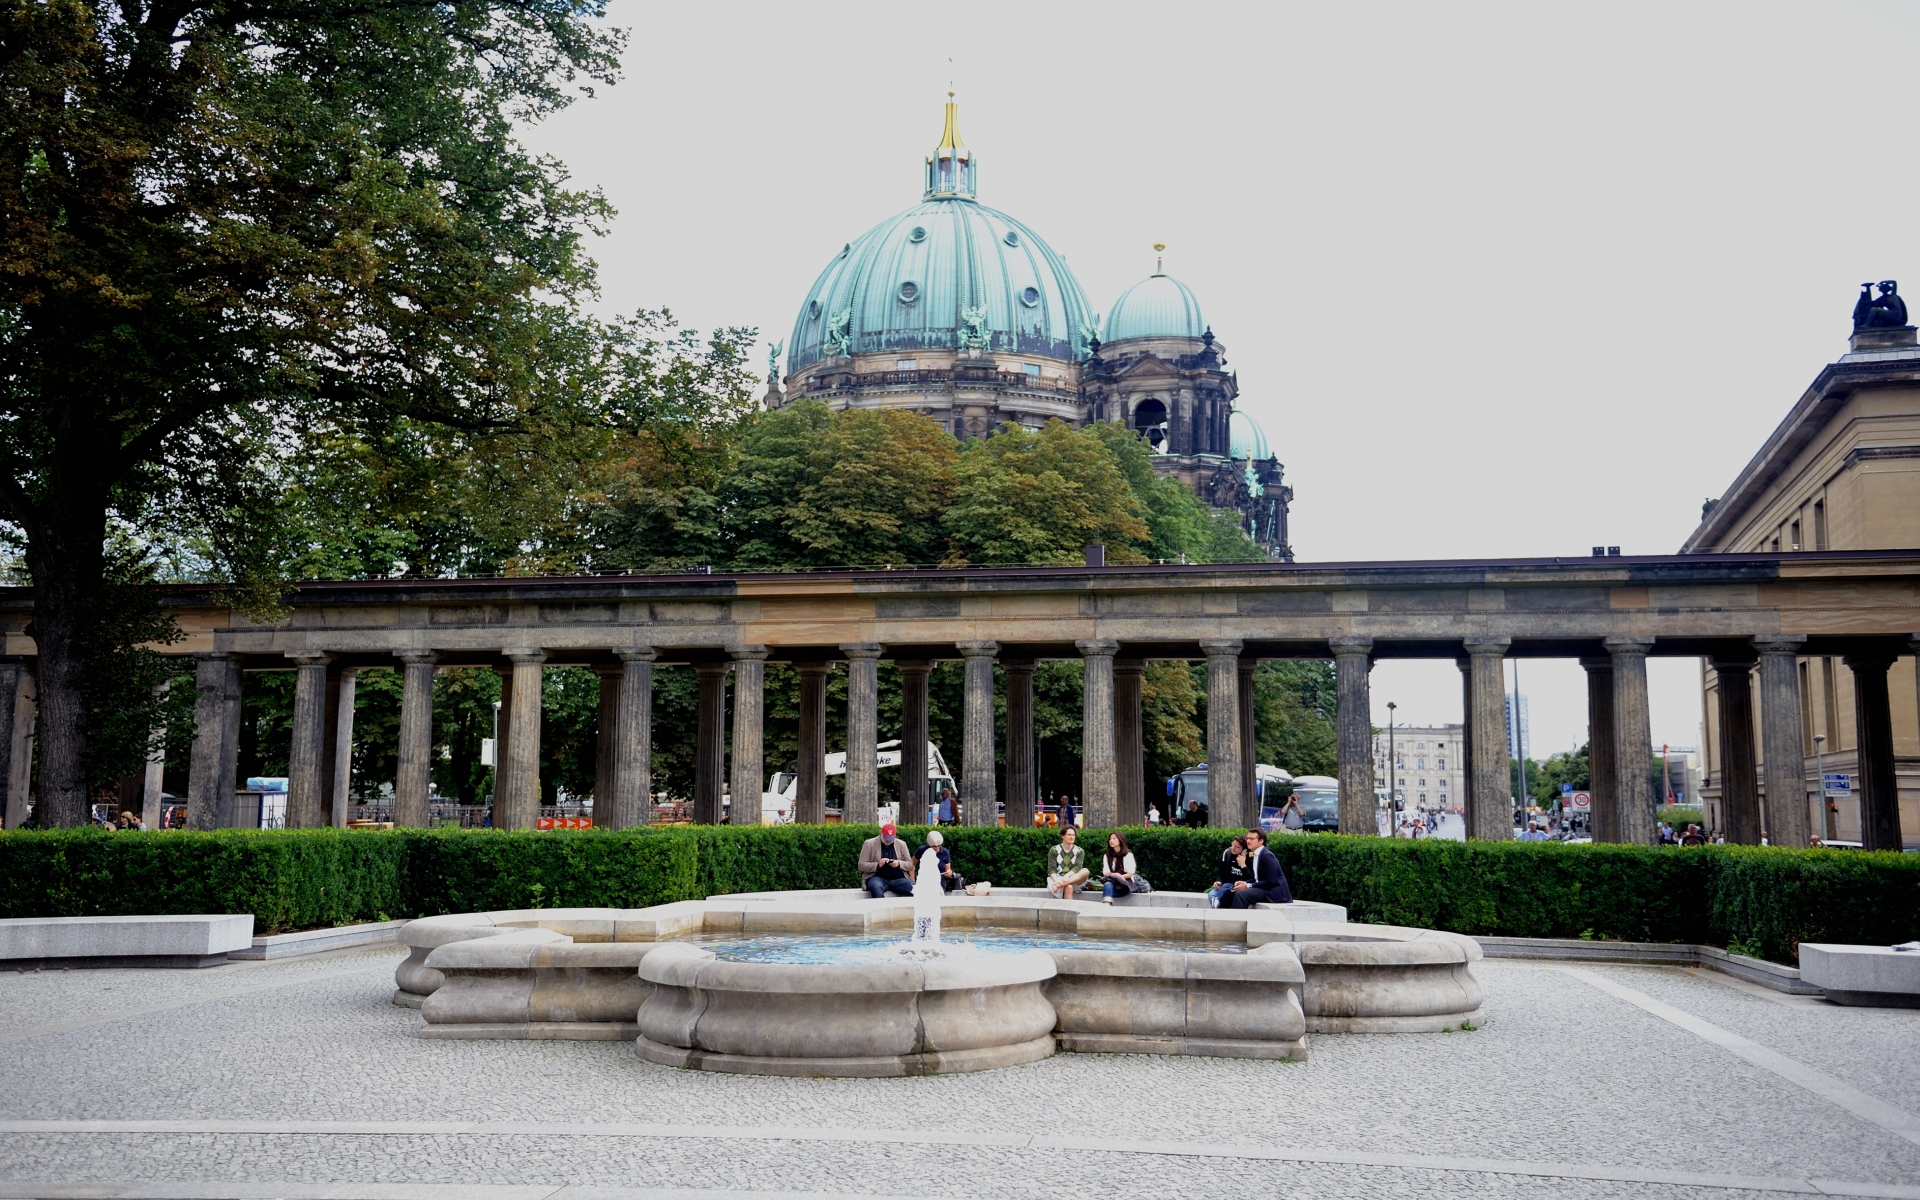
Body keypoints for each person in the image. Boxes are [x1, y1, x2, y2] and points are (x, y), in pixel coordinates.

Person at [1223, 828, 1292, 908]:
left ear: (1261, 841)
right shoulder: (1254, 854)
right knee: (1232, 890)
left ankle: (1239, 920)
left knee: (1241, 895)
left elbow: (1270, 882)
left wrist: (1248, 886)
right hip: (1263, 888)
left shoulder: (1267, 856)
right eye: (1247, 838)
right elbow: (1256, 878)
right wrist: (1244, 883)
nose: (1248, 841)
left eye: (1252, 839)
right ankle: (1223, 917)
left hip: (1273, 892)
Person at [859, 821, 916, 898]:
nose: (888, 841)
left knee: (914, 889)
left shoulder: (902, 844)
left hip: (899, 879)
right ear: (880, 833)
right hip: (878, 878)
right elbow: (861, 865)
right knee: (876, 887)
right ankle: (880, 909)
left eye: (891, 839)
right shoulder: (869, 843)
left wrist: (898, 864)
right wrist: (878, 865)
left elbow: (910, 864)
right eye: (886, 838)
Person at [1045, 826, 1089, 900]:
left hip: (1073, 878)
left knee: (1085, 871)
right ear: (1062, 836)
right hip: (1057, 878)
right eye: (1069, 835)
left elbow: (1077, 867)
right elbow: (1051, 870)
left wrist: (1067, 876)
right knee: (1069, 887)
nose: (1072, 837)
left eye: (1073, 835)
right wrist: (1056, 881)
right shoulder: (1054, 850)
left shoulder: (1079, 851)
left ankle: (1059, 885)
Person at [1208, 835, 1248, 908]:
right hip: (1229, 884)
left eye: (1237, 847)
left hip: (1242, 885)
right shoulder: (1227, 853)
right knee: (1212, 894)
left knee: (1229, 897)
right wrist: (1219, 881)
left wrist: (1243, 865)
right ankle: (1219, 908)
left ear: (1244, 849)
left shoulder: (1249, 857)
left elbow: (1251, 877)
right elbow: (1221, 872)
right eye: (1233, 844)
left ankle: (1220, 909)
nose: (1233, 848)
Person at [1099, 831, 1139, 905]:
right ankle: (1106, 905)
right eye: (1110, 839)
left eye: (1114, 838)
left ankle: (1106, 905)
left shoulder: (1128, 855)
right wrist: (1115, 875)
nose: (1111, 841)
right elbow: (1106, 872)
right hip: (1112, 883)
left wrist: (1119, 876)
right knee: (1107, 884)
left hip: (1126, 884)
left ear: (1120, 840)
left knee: (1107, 890)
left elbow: (1130, 874)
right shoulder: (1107, 856)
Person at [922, 828, 967, 893]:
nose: (937, 848)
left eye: (939, 845)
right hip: (925, 877)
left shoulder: (945, 852)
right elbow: (912, 865)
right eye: (934, 846)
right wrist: (912, 880)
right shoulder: (922, 850)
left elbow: (948, 869)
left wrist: (948, 872)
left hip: (940, 878)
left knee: (937, 891)